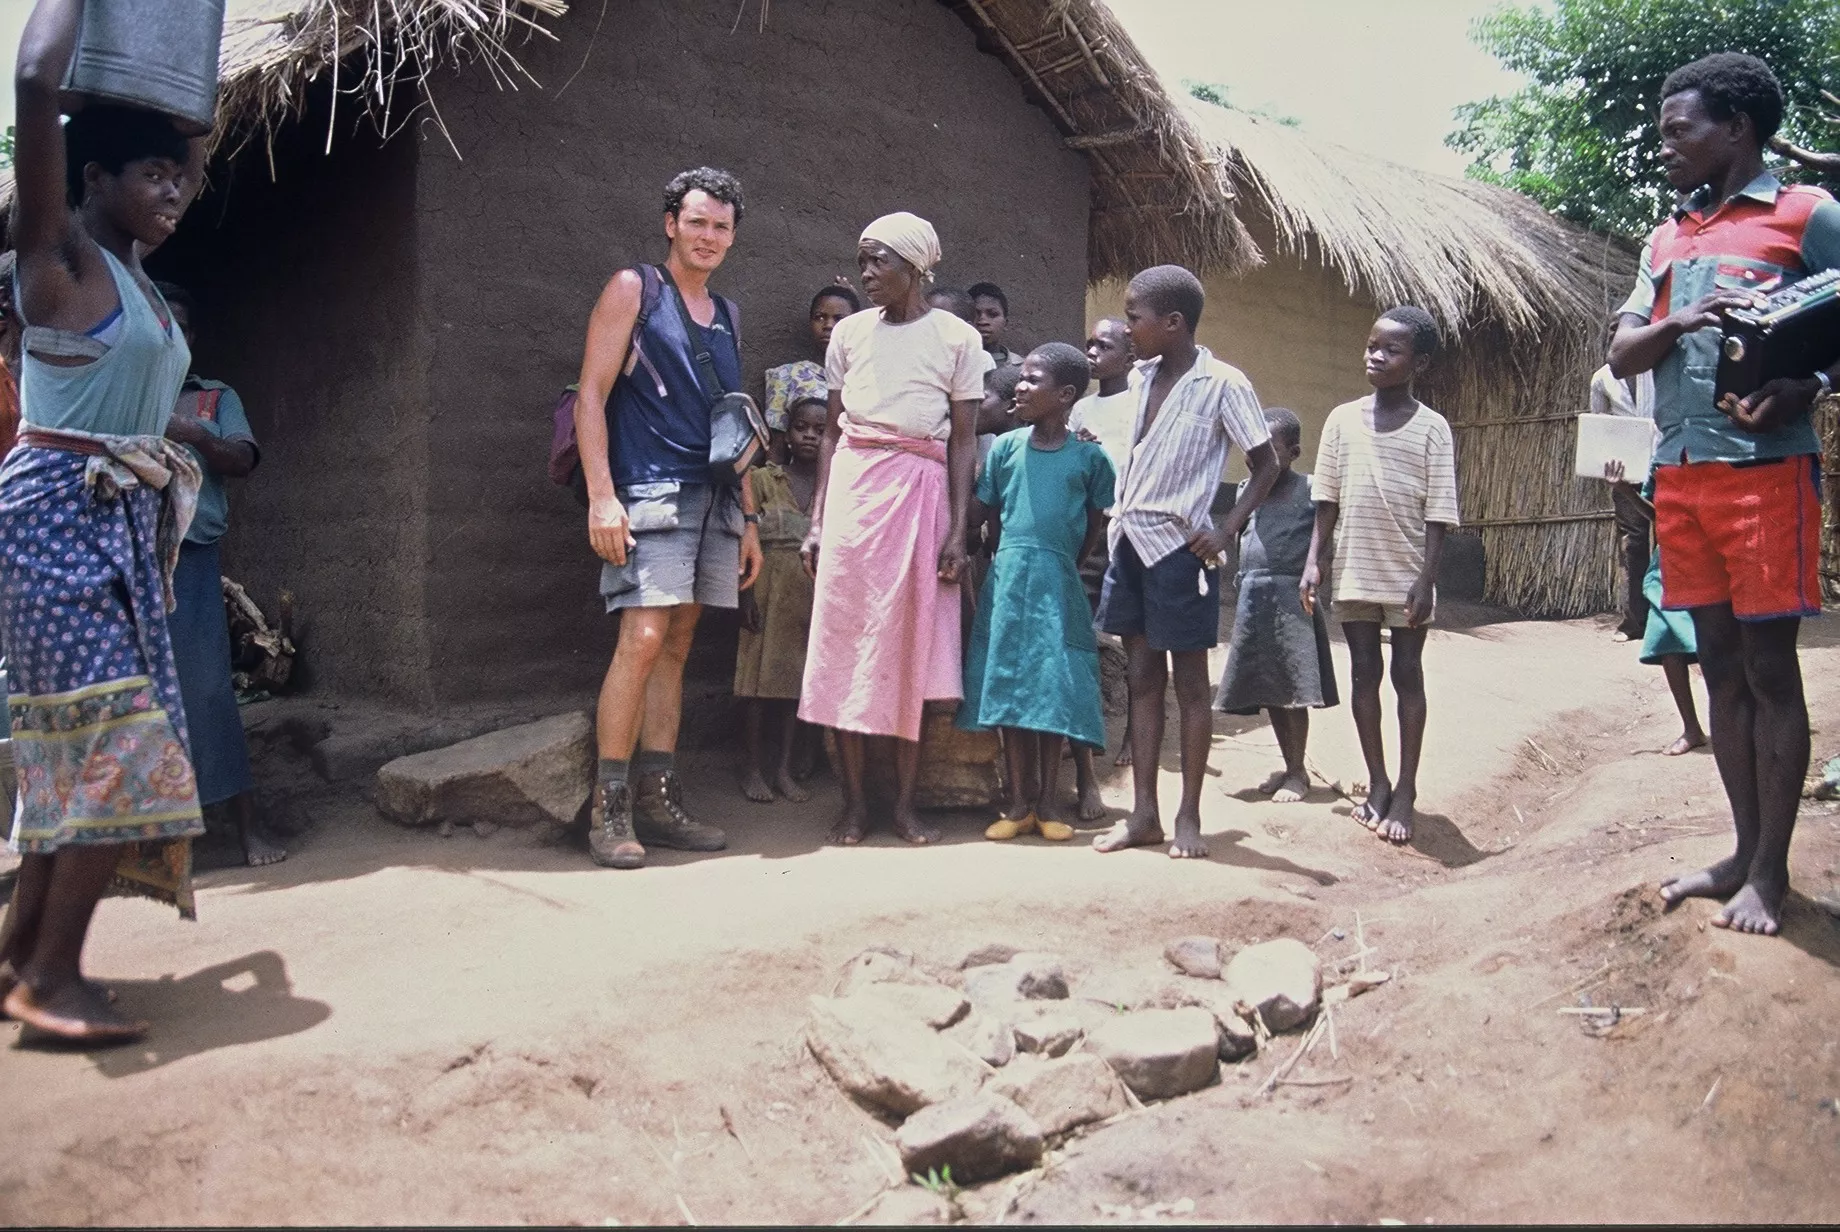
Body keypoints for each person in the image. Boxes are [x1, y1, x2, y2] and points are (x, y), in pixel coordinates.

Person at [0, 0, 212, 1043]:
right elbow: (38, 84)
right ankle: (51, 977)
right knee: (121, 752)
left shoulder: (141, 283)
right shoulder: (62, 261)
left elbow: (195, 143)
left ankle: (18, 958)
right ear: (91, 181)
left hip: (118, 530)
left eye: (178, 177)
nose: (171, 189)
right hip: (54, 524)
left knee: (73, 750)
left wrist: (183, 96)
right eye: (149, 173)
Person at [1607, 53, 1840, 934]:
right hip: (1682, 477)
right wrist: (1674, 321)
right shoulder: (1666, 237)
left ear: (1735, 129)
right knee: (1721, 669)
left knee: (1773, 672)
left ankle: (1771, 877)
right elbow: (1625, 351)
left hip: (1767, 475)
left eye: (1679, 131)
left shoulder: (1809, 214)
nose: (1664, 147)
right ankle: (1742, 853)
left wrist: (1811, 382)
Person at [574, 167, 764, 870]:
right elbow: (591, 396)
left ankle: (658, 798)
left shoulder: (729, 314)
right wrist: (602, 495)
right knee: (644, 635)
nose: (709, 236)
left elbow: (730, 426)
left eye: (721, 226)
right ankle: (610, 806)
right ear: (671, 224)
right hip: (649, 492)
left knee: (679, 643)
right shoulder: (635, 290)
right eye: (698, 222)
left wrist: (747, 519)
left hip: (714, 500)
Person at [799, 212, 982, 846]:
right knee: (844, 652)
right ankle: (853, 805)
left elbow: (963, 442)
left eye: (878, 261)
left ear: (916, 268)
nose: (866, 273)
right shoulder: (848, 334)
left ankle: (902, 805)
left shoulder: (958, 339)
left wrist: (958, 531)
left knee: (913, 655)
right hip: (854, 495)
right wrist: (818, 521)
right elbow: (830, 432)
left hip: (921, 496)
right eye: (862, 260)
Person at [1093, 264, 1281, 859]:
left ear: (1173, 323)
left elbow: (1267, 462)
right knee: (1142, 677)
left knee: (1191, 687)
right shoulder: (1142, 376)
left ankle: (1189, 817)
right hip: (1130, 542)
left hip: (1180, 551)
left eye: (1134, 318)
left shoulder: (1224, 383)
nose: (1127, 328)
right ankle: (1144, 815)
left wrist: (1226, 528)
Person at [1301, 306, 1460, 846]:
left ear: (1419, 363)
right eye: (1372, 345)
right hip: (1352, 566)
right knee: (1364, 672)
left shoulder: (1433, 429)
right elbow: (1326, 499)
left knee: (1406, 673)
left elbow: (1439, 513)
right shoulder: (1341, 420)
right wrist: (1313, 561)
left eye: (1391, 350)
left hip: (1406, 569)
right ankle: (1377, 782)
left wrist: (1426, 579)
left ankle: (1407, 789)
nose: (1375, 355)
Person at [959, 343, 1114, 841]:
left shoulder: (1090, 458)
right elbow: (982, 514)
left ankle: (1049, 802)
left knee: (1051, 690)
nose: (1019, 387)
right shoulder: (1006, 448)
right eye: (1019, 379)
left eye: (1032, 379)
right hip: (1007, 581)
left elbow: (1095, 524)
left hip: (1058, 582)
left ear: (1065, 394)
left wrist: (1061, 558)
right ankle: (1018, 803)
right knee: (1007, 685)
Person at [157, 283, 284, 867]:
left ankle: (247, 829)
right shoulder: (122, 394)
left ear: (193, 337)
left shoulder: (211, 397)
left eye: (184, 326)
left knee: (208, 691)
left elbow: (243, 460)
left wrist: (195, 437)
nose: (174, 337)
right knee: (142, 697)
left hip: (192, 559)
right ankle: (156, 841)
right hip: (127, 561)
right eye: (164, 325)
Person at [1216, 408, 1339, 803]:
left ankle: (1299, 771)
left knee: (1292, 688)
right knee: (1269, 686)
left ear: (1295, 451)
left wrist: (1313, 570)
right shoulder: (1244, 490)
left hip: (1291, 597)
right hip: (1254, 596)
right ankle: (1289, 765)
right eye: (1253, 446)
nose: (1257, 455)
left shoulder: (1311, 489)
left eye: (1270, 447)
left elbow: (1324, 542)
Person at [736, 397, 823, 803]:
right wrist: (745, 597)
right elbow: (743, 541)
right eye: (802, 427)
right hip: (765, 590)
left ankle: (784, 770)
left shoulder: (834, 487)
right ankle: (753, 768)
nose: (810, 435)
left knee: (793, 687)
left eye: (821, 431)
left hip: (811, 598)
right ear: (787, 434)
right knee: (756, 687)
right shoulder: (763, 480)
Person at [1605, 460, 1707, 756]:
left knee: (1718, 643)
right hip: (1671, 560)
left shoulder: (1715, 451)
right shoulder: (1662, 460)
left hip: (1712, 554)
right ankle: (1691, 728)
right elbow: (1657, 514)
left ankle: (1731, 721)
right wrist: (1624, 489)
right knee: (1667, 641)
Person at [1589, 361, 1658, 642]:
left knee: (1671, 538)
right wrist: (1609, 470)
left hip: (1665, 459)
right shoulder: (1601, 379)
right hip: (1626, 469)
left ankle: (1667, 618)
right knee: (1632, 544)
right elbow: (1599, 426)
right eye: (1612, 331)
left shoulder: (1655, 366)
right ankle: (1634, 621)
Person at [763, 284, 859, 461]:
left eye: (839, 319)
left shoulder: (865, 378)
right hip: (799, 481)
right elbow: (776, 448)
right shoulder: (787, 376)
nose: (828, 325)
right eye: (820, 317)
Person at [967, 281, 1023, 369]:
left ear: (1005, 323)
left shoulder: (1022, 369)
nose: (983, 321)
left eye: (992, 314)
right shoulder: (950, 364)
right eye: (975, 314)